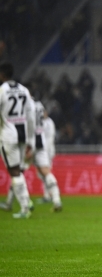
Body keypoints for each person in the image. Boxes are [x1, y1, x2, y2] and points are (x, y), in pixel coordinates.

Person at [0, 61, 35, 218]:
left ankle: (25, 206)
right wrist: (31, 139)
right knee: (18, 170)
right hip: (22, 134)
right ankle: (24, 203)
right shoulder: (24, 90)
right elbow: (31, 114)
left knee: (14, 171)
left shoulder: (2, 90)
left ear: (2, 75)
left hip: (8, 134)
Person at [22, 98, 62, 211]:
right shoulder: (39, 107)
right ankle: (56, 199)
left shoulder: (27, 106)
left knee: (17, 172)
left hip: (33, 144)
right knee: (44, 173)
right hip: (41, 145)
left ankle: (21, 203)